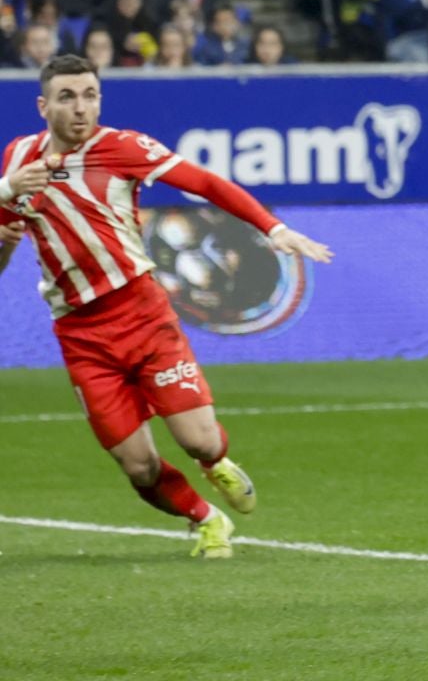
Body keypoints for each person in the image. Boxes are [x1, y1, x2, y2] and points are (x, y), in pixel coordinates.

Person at [0, 55, 333, 558]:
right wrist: (5, 215)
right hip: (80, 333)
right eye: (67, 97)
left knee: (199, 441)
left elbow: (206, 184)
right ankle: (205, 519)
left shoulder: (122, 148)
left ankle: (215, 462)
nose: (80, 107)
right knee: (139, 467)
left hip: (142, 314)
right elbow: (4, 247)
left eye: (90, 95)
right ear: (43, 105)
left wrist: (274, 228)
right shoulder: (18, 158)